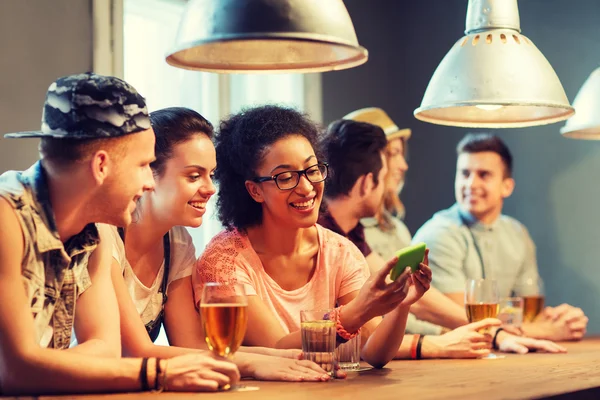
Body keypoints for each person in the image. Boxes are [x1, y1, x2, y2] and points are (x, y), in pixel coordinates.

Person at [0, 73, 239, 395]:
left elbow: (105, 350)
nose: (150, 182)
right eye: (143, 165)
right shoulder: (7, 217)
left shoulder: (93, 230)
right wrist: (158, 372)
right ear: (101, 165)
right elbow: (14, 371)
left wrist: (44, 366)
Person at [107, 106, 335, 383]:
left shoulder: (177, 243)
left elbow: (191, 345)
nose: (210, 188)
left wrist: (284, 357)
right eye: (193, 176)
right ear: (149, 173)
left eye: (210, 175)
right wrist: (253, 363)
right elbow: (136, 351)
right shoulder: (106, 236)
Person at [193, 105, 432, 368]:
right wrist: (355, 312)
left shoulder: (340, 251)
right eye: (285, 177)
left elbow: (373, 352)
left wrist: (401, 305)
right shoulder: (224, 261)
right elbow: (279, 348)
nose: (306, 188)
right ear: (255, 191)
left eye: (312, 170)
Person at [320, 116, 565, 356]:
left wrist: (495, 332)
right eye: (384, 177)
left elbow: (403, 291)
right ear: (366, 184)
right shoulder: (322, 236)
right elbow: (368, 342)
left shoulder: (353, 233)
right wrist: (438, 344)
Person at [413, 133, 588, 342]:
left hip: (492, 351)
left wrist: (560, 319)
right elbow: (468, 319)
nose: (471, 184)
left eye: (483, 174)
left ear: (507, 186)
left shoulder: (517, 233)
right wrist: (548, 331)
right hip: (435, 356)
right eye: (465, 173)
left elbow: (528, 315)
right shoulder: (438, 234)